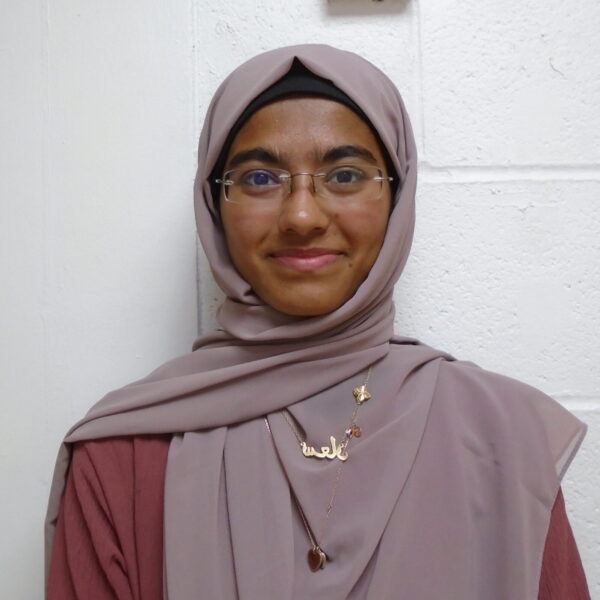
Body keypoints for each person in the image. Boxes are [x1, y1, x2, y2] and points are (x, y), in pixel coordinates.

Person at [45, 44, 590, 599]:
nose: (302, 216)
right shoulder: (124, 457)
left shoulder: (504, 439)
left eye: (346, 174)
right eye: (259, 178)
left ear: (397, 198)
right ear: (214, 206)